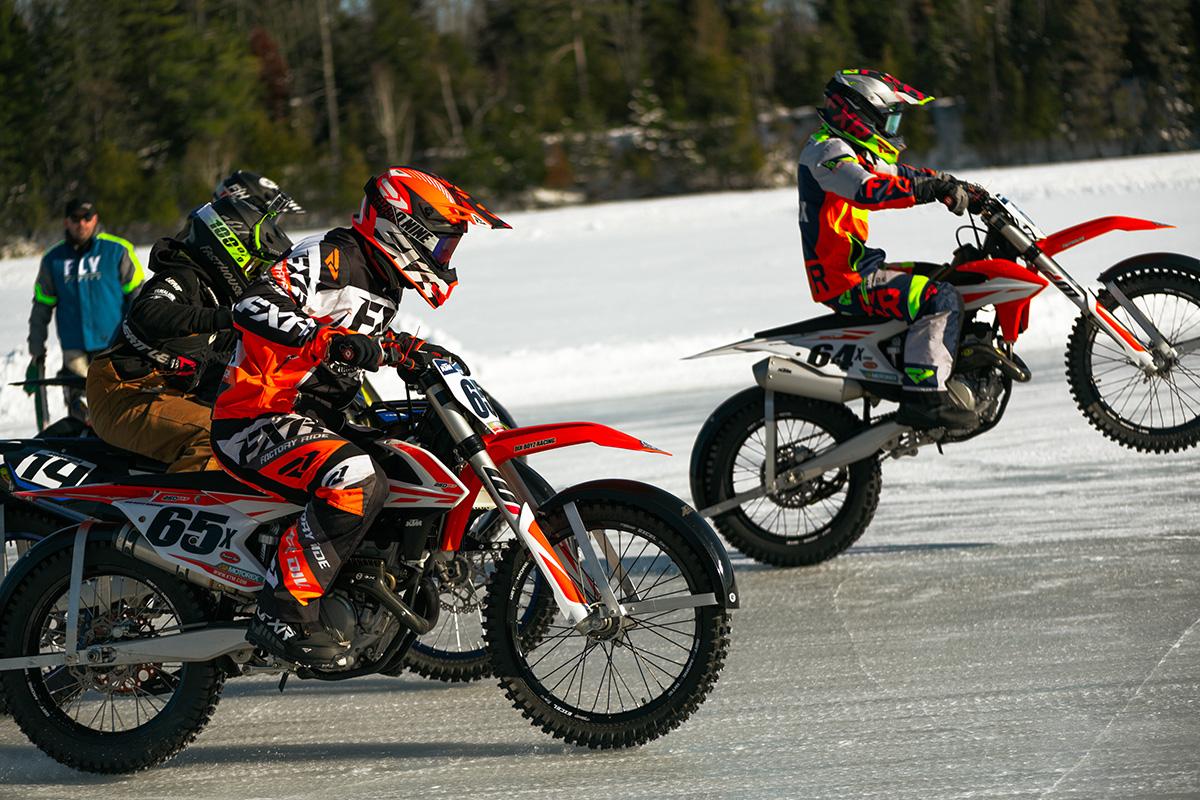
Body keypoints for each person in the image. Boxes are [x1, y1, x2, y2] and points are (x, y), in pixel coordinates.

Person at [210, 166, 510, 666]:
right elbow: (253, 305)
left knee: (405, 461)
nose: (443, 259)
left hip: (313, 416)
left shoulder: (382, 278)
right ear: (404, 225)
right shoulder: (331, 256)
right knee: (354, 477)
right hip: (258, 414)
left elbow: (354, 339)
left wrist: (405, 350)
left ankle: (363, 597)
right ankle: (283, 604)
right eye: (441, 245)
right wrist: (321, 339)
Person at [797, 68, 975, 430]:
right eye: (888, 118)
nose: (891, 129)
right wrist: (929, 192)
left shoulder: (847, 147)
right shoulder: (827, 151)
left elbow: (899, 173)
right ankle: (924, 399)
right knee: (939, 299)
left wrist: (950, 182)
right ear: (860, 112)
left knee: (945, 275)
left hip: (859, 266)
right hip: (846, 280)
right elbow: (867, 189)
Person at [85, 195, 293, 472]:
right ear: (230, 247)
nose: (256, 277)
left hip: (164, 394)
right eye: (254, 267)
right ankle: (169, 511)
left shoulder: (218, 298)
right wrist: (223, 319)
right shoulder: (182, 278)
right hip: (122, 393)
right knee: (217, 439)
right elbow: (148, 313)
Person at [27, 199, 144, 423]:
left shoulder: (118, 250)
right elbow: (41, 307)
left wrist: (140, 341)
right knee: (80, 410)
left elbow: (139, 300)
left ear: (95, 219)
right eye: (75, 219)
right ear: (66, 222)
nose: (81, 224)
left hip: (114, 347)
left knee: (117, 410)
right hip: (75, 352)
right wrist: (35, 350)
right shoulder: (53, 260)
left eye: (86, 218)